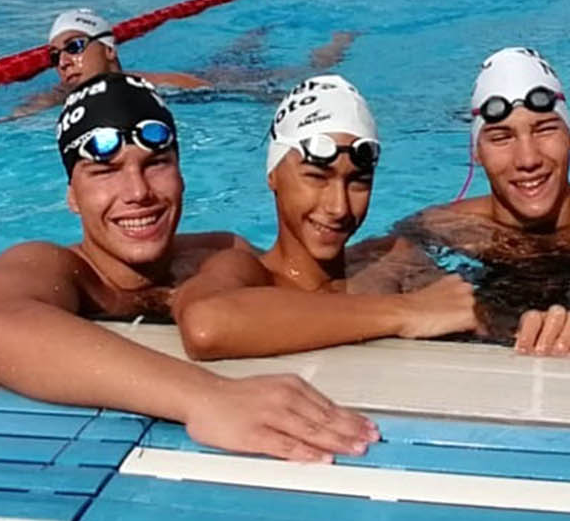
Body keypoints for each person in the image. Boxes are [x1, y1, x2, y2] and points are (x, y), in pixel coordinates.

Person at [0, 73, 378, 462]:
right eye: (105, 172)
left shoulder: (219, 251)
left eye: (156, 163)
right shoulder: (53, 266)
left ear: (181, 174)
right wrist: (206, 398)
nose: (138, 192)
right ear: (72, 195)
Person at [392, 47, 570, 356]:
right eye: (501, 137)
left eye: (544, 130)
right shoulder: (439, 228)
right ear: (477, 153)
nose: (528, 159)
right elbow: (364, 291)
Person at [174, 77, 479, 358]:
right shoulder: (248, 271)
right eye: (317, 177)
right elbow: (205, 326)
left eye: (358, 182)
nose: (339, 207)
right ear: (273, 174)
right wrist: (406, 312)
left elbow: (470, 318)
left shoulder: (392, 261)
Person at [11, 8, 358, 120]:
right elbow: (12, 118)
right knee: (237, 54)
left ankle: (339, 41)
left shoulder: (153, 82)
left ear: (110, 50)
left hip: (218, 79)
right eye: (55, 56)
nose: (65, 62)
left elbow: (222, 91)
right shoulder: (58, 96)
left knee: (301, 75)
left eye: (74, 47)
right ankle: (254, 36)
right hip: (210, 71)